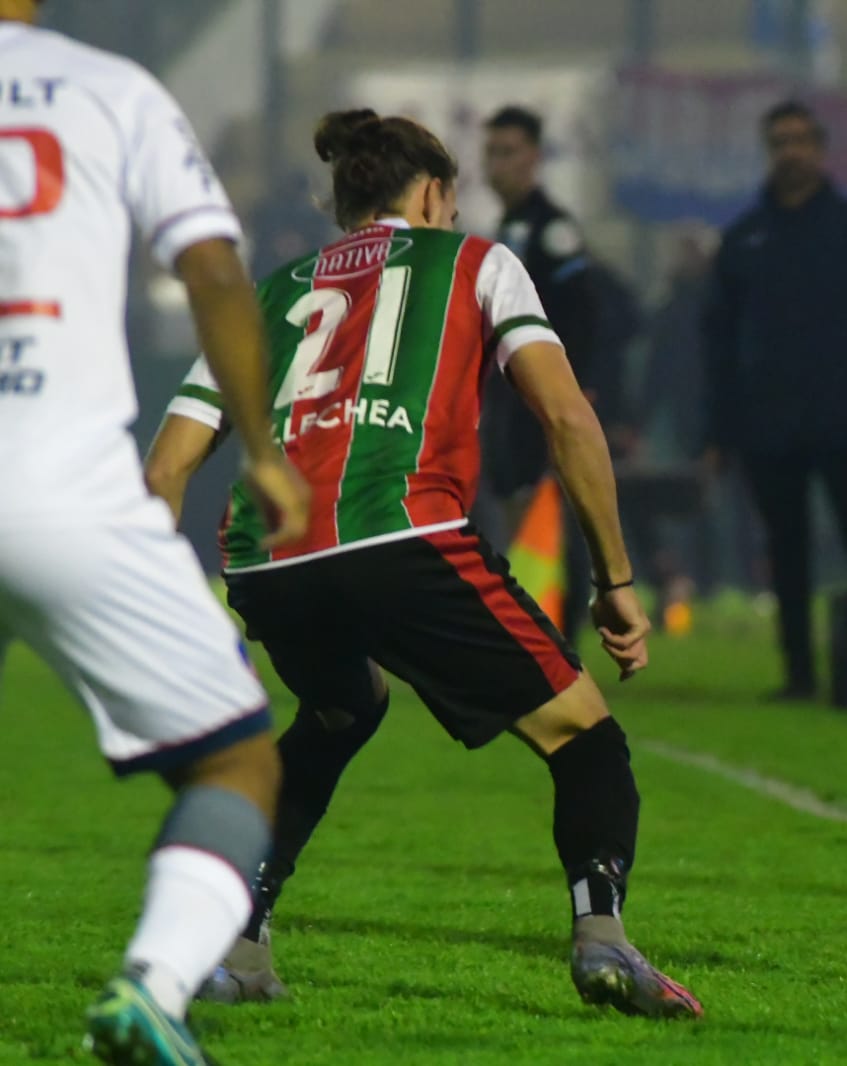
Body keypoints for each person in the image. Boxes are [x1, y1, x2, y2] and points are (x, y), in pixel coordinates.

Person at [143, 109, 702, 1020]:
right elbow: (567, 418)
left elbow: (167, 468)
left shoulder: (265, 293)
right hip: (400, 537)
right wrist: (615, 581)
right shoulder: (477, 262)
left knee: (340, 711)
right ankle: (603, 940)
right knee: (583, 736)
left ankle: (237, 945)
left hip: (267, 559)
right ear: (435, 193)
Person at [0, 4, 310, 1063]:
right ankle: (156, 983)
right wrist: (260, 449)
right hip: (60, 493)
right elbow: (214, 272)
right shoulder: (110, 88)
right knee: (236, 761)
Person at [703, 100, 847, 700]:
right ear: (768, 151)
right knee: (784, 551)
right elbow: (718, 343)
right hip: (769, 424)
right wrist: (719, 433)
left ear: (820, 150)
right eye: (780, 142)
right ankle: (798, 674)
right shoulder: (744, 240)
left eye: (800, 140)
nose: (791, 152)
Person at [478, 105, 606, 634]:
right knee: (518, 505)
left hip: (543, 395)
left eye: (508, 152)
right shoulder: (508, 227)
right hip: (511, 397)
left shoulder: (553, 229)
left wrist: (577, 389)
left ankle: (562, 629)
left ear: (534, 157)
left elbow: (583, 314)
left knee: (552, 509)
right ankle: (532, 623)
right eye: (491, 152)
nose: (497, 164)